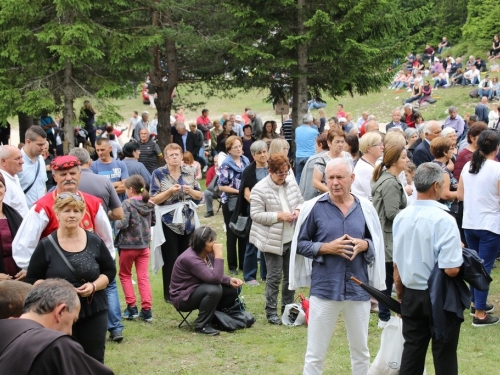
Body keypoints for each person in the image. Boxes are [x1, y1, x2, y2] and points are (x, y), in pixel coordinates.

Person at [296, 158, 385, 375]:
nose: (335, 183)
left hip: (357, 288)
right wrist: (327, 248)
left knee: (361, 351)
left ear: (352, 179)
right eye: (331, 178)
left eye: (340, 177)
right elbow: (300, 244)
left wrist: (364, 244)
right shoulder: (314, 208)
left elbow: (375, 242)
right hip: (325, 288)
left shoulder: (365, 208)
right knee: (315, 354)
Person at [26, 194, 116, 363]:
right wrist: (58, 291)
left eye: (76, 211)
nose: (72, 215)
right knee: (62, 359)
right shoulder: (46, 245)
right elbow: (32, 279)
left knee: (94, 358)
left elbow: (110, 271)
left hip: (93, 309)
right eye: (66, 211)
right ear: (57, 213)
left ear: (82, 214)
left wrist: (94, 286)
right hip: (58, 313)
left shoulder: (95, 241)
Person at [393, 163, 463, 375]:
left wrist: (400, 293)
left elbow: (397, 264)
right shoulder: (444, 219)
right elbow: (451, 269)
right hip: (440, 295)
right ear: (435, 186)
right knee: (444, 355)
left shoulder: (401, 217)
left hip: (411, 292)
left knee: (412, 351)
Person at [0, 279, 114, 374]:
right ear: (60, 311)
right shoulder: (55, 344)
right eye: (72, 321)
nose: (70, 332)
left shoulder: (6, 330)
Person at [250, 155, 303, 324]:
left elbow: (301, 202)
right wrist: (278, 216)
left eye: (286, 172)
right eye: (280, 173)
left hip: (291, 237)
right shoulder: (260, 189)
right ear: (270, 171)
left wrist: (298, 211)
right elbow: (256, 215)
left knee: (290, 276)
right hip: (271, 240)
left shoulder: (291, 183)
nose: (283, 176)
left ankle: (287, 308)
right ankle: (271, 312)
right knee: (274, 277)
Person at [457, 130, 500, 326]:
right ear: (497, 147)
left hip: (470, 222)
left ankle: (477, 303)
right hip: (489, 223)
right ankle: (480, 314)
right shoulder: (496, 168)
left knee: (475, 267)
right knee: (484, 269)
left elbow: (460, 195)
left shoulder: (468, 165)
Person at [150, 143, 202, 303]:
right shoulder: (158, 173)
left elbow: (199, 195)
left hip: (188, 220)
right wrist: (170, 191)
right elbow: (153, 198)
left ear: (181, 157)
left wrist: (190, 191)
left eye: (177, 154)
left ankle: (188, 289)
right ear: (165, 158)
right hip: (168, 220)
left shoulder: (190, 172)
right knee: (171, 257)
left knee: (188, 256)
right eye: (171, 155)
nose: (174, 157)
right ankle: (170, 293)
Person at [170, 226, 243, 335]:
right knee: (214, 289)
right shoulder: (190, 258)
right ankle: (202, 326)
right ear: (201, 243)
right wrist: (219, 255)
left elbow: (212, 275)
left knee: (230, 288)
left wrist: (229, 280)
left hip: (197, 289)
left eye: (214, 239)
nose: (215, 243)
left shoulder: (207, 253)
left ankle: (216, 318)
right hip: (183, 297)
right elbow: (215, 278)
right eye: (211, 241)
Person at [371, 141, 408, 329]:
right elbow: (393, 213)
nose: (407, 159)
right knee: (386, 279)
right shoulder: (390, 183)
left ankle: (385, 316)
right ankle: (384, 318)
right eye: (404, 157)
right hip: (387, 237)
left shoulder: (390, 178)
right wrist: (412, 214)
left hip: (386, 236)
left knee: (385, 279)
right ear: (394, 161)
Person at [116, 175, 155, 323]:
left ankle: (131, 308)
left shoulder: (127, 204)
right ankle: (147, 310)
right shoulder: (149, 203)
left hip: (128, 246)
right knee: (143, 277)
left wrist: (115, 220)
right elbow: (153, 221)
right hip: (144, 246)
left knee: (125, 275)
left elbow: (123, 224)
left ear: (130, 190)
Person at [234, 141, 269, 286]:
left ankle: (267, 274)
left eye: (264, 151)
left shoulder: (273, 167)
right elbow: (246, 193)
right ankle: (249, 276)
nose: (263, 155)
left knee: (268, 242)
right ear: (253, 156)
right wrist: (259, 203)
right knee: (252, 242)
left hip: (271, 210)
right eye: (259, 153)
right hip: (254, 209)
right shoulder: (248, 171)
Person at [218, 136, 250, 274]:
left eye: (239, 146)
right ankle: (232, 265)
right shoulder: (226, 164)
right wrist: (239, 191)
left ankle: (243, 263)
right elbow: (221, 186)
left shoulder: (246, 160)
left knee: (244, 231)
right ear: (229, 150)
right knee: (232, 233)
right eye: (235, 147)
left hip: (244, 201)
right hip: (230, 202)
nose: (238, 149)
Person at [0, 173, 24, 282]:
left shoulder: (14, 215)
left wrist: (27, 268)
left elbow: (27, 244)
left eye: (0, 186)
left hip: (17, 273)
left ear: (5, 189)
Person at [312, 129, 353, 194]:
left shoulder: (348, 157)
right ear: (329, 143)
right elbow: (315, 182)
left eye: (342, 142)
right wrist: (332, 191)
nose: (340, 144)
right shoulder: (322, 160)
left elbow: (351, 175)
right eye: (337, 142)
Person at [18, 126, 47, 207]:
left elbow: (43, 185)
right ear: (28, 141)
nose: (43, 148)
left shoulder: (41, 159)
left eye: (44, 144)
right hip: (22, 214)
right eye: (40, 144)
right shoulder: (16, 161)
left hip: (41, 212)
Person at [350, 132, 384, 201]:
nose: (382, 147)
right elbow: (374, 196)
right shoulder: (364, 169)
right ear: (369, 148)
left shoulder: (374, 164)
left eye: (382, 144)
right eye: (379, 145)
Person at [430, 137, 458, 218]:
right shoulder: (443, 171)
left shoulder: (431, 165)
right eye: (451, 148)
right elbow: (445, 195)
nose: (453, 151)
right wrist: (461, 192)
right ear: (445, 152)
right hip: (447, 211)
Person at [0, 145, 28, 217]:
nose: (22, 161)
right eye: (17, 158)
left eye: (21, 157)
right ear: (4, 161)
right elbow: (3, 213)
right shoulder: (3, 183)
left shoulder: (13, 177)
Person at [299, 133, 329, 201]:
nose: (315, 147)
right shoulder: (337, 157)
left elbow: (307, 187)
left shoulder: (315, 160)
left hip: (316, 200)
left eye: (315, 144)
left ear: (320, 145)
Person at [295, 113, 318, 184]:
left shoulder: (297, 129)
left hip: (299, 155)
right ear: (311, 122)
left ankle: (297, 192)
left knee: (298, 176)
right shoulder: (314, 131)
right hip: (310, 156)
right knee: (309, 177)